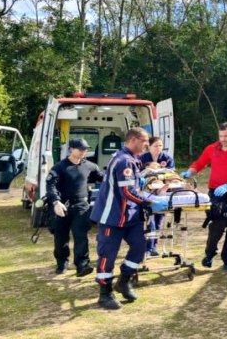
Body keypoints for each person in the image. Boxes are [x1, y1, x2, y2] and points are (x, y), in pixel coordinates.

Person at [90, 127, 168, 310]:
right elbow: (126, 191)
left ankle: (124, 280)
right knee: (107, 255)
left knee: (140, 247)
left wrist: (142, 179)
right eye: (145, 143)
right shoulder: (124, 160)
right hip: (113, 217)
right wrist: (150, 202)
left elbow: (132, 184)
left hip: (130, 217)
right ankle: (105, 293)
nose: (147, 146)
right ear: (133, 140)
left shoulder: (131, 159)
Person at [181, 122, 227, 272]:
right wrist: (190, 172)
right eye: (221, 136)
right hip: (216, 193)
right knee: (217, 225)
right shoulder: (212, 148)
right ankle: (209, 254)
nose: (223, 139)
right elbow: (200, 163)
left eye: (226, 136)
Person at [46, 138, 103, 276]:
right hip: (62, 206)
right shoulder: (59, 167)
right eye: (81, 149)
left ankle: (82, 265)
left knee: (81, 236)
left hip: (81, 206)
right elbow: (50, 185)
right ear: (71, 149)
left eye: (85, 149)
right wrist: (55, 202)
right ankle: (62, 263)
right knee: (61, 237)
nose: (84, 151)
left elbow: (102, 179)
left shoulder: (90, 166)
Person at [139, 136, 175, 256]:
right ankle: (148, 247)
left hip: (162, 191)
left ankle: (153, 247)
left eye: (160, 145)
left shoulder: (167, 158)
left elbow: (171, 174)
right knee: (151, 221)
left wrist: (165, 184)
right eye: (156, 146)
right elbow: (138, 174)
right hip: (148, 192)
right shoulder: (143, 158)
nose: (158, 148)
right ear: (149, 146)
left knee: (159, 220)